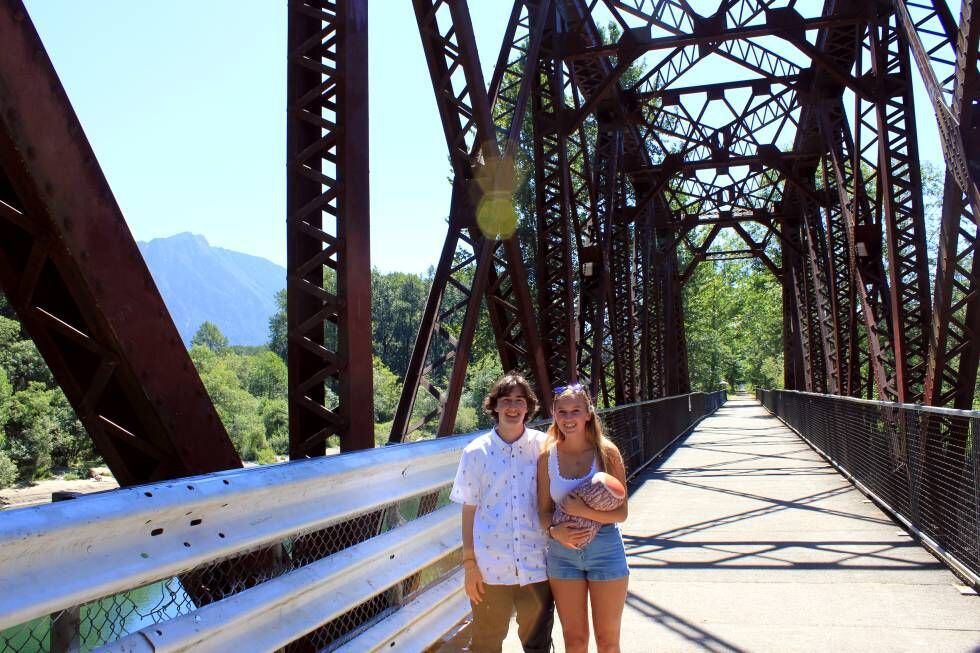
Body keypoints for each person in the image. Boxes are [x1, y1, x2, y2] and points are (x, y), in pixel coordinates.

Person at [449, 372, 554, 653]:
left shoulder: (545, 447)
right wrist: (469, 565)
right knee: (486, 644)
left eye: (520, 401)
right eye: (506, 400)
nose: (513, 407)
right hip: (490, 570)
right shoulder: (475, 452)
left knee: (538, 646)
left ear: (528, 407)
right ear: (494, 406)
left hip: (536, 566)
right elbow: (468, 510)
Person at [537, 383, 629, 653]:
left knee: (608, 641)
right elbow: (543, 512)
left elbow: (622, 513)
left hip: (605, 549)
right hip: (562, 554)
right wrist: (555, 532)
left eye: (575, 410)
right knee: (575, 641)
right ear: (554, 414)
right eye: (561, 411)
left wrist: (583, 512)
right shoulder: (546, 456)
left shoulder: (607, 452)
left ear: (588, 413)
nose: (568, 418)